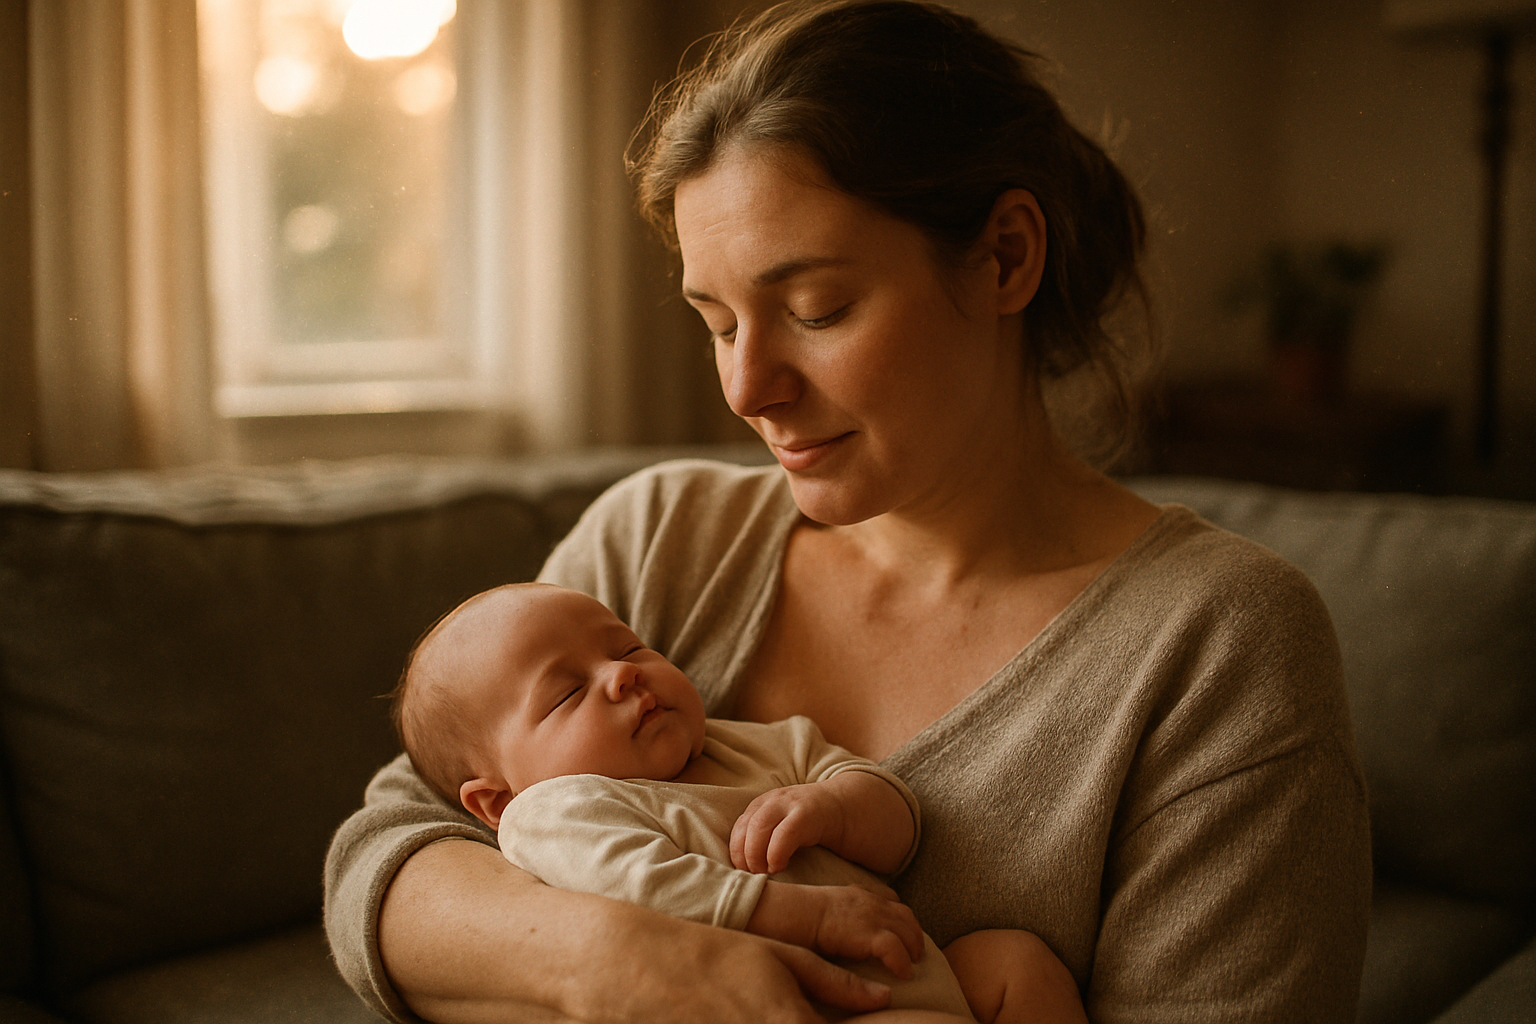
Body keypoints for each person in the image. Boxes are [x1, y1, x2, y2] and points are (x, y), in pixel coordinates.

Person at [323, 2, 1372, 1022]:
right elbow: (389, 855)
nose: (746, 388)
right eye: (719, 322)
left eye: (815, 309)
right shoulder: (662, 540)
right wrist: (619, 960)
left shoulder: (1217, 643)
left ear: (1006, 255)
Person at [389, 581, 1071, 1022]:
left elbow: (897, 823)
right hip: (806, 1001)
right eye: (568, 693)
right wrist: (805, 914)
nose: (622, 674)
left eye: (627, 647)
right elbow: (639, 887)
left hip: (919, 967)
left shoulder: (758, 745)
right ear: (496, 799)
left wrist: (838, 806)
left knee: (1016, 961)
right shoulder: (555, 811)